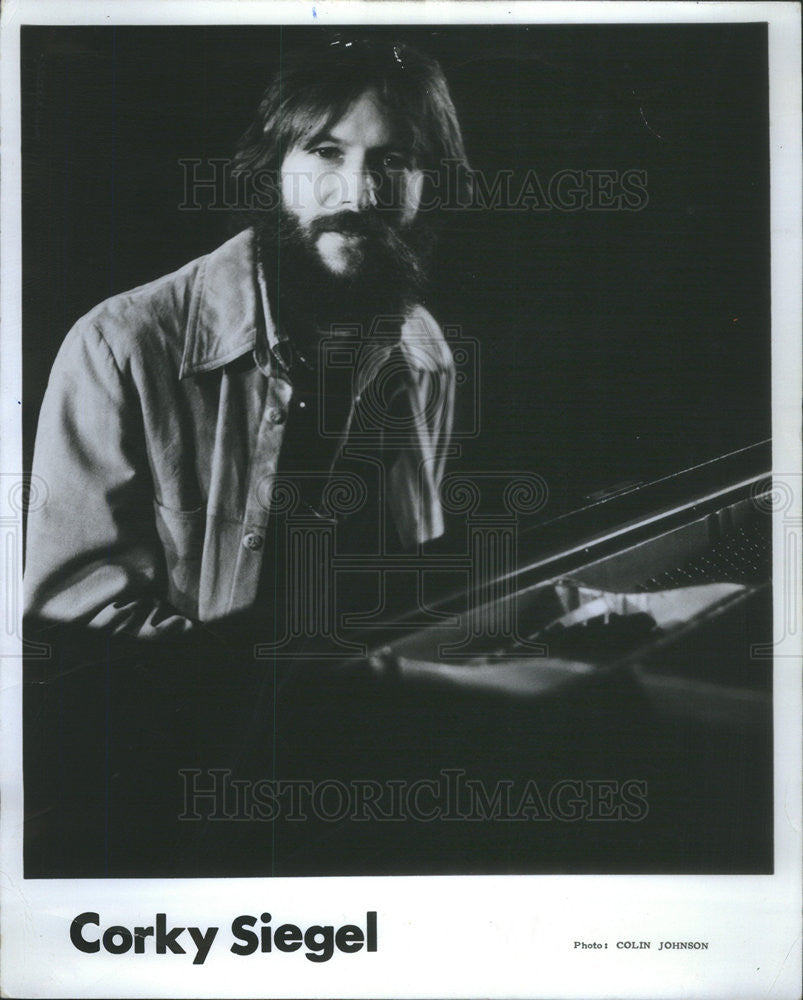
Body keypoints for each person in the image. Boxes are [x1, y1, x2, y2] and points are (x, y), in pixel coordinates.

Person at [23, 37, 472, 646]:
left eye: (393, 161)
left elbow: (415, 583)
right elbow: (75, 623)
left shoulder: (423, 352)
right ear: (273, 169)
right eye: (326, 152)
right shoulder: (119, 348)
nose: (358, 193)